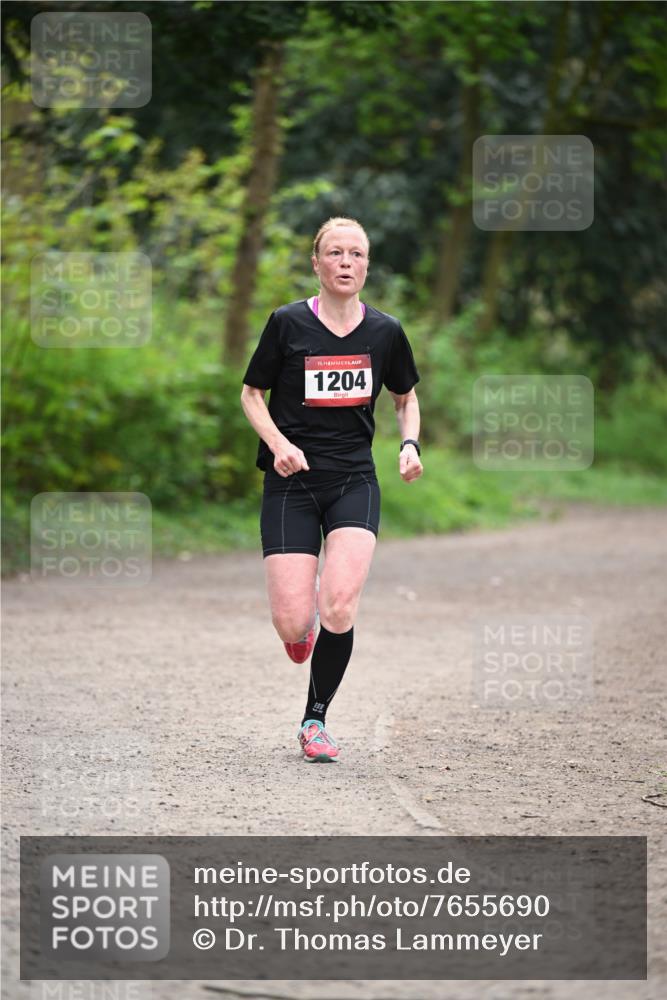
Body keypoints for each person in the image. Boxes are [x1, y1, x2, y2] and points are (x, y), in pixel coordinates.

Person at [240, 216, 423, 762]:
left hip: (353, 481)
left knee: (338, 607)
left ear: (367, 265)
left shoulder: (385, 332)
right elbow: (251, 394)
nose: (347, 262)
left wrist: (409, 444)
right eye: (336, 253)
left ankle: (314, 721)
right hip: (291, 483)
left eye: (357, 254)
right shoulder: (287, 323)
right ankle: (302, 626)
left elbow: (405, 397)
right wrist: (278, 443)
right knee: (293, 622)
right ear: (316, 263)